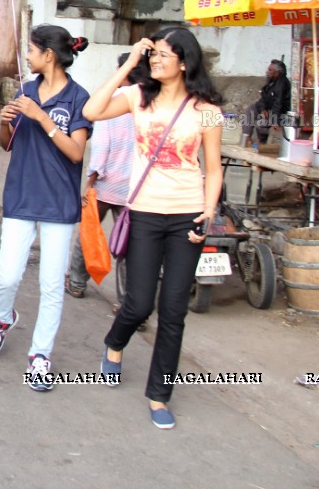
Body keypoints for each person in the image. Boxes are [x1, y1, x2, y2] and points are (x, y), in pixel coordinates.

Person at [83, 28, 223, 430]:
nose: (156, 60)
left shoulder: (207, 109)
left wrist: (209, 212)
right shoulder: (137, 97)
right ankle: (115, 342)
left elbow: (213, 169)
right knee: (140, 303)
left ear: (184, 61)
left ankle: (159, 394)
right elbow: (92, 111)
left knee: (174, 311)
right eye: (154, 54)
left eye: (164, 55)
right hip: (144, 212)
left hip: (188, 215)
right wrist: (128, 64)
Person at [0, 27, 90, 390]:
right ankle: (0, 320)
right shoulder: (25, 91)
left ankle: (40, 355)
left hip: (59, 201)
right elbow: (7, 144)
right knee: (7, 273)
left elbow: (76, 153)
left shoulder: (78, 98)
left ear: (49, 55)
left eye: (30, 50)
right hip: (22, 194)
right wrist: (8, 122)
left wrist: (41, 117)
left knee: (50, 284)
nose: (26, 56)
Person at [67, 54, 141, 301]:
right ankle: (126, 301)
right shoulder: (149, 102)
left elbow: (101, 148)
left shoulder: (114, 103)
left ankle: (77, 282)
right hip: (134, 189)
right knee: (129, 246)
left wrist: (90, 183)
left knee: (88, 233)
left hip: (106, 185)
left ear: (126, 72)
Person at [242, 59, 290, 147]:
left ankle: (262, 143)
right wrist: (262, 109)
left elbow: (278, 104)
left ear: (277, 72)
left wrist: (275, 121)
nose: (267, 72)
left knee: (260, 123)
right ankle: (247, 138)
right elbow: (263, 99)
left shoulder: (282, 83)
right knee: (251, 109)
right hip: (268, 109)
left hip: (279, 113)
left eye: (270, 70)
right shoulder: (271, 82)